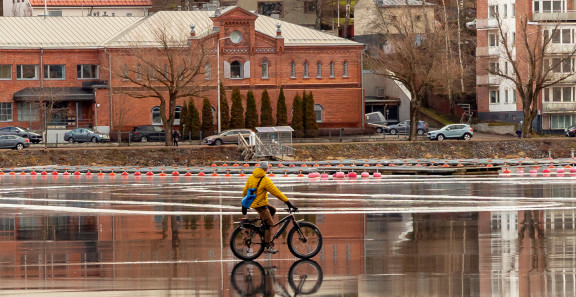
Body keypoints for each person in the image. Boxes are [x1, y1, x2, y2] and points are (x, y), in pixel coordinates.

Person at [242, 161, 297, 254]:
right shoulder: (265, 180)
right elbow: (276, 192)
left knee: (272, 210)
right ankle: (267, 246)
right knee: (270, 224)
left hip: (255, 203)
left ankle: (264, 226)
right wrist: (287, 202)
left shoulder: (251, 177)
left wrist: (243, 204)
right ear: (266, 169)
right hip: (260, 205)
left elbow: (245, 191)